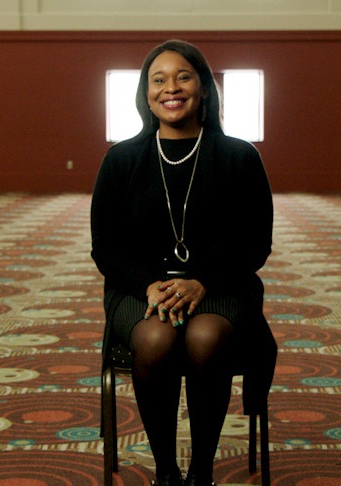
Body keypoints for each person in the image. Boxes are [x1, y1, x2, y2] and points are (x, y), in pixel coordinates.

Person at [90, 39, 274, 486]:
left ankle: (201, 474)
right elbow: (105, 247)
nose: (171, 88)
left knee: (205, 336)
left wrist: (203, 283)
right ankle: (166, 473)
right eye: (159, 79)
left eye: (183, 76)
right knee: (154, 338)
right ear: (146, 93)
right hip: (139, 289)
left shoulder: (239, 157)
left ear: (204, 88)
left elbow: (256, 244)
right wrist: (149, 286)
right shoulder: (121, 160)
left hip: (223, 287)